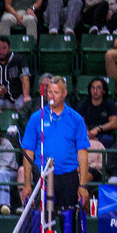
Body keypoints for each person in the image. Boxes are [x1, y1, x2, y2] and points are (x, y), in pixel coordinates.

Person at [19, 76, 90, 211]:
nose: (52, 96)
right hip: (42, 176)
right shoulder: (36, 118)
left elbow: (82, 153)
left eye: (56, 92)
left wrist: (83, 185)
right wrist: (27, 184)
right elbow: (28, 152)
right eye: (49, 92)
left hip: (68, 176)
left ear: (64, 94)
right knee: (43, 219)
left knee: (68, 221)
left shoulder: (76, 119)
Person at [0, 35, 31, 115]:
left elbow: (25, 78)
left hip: (17, 96)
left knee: (28, 104)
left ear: (9, 48)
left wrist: (26, 96)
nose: (1, 52)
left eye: (4, 48)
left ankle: (18, 125)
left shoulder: (19, 59)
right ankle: (1, 122)